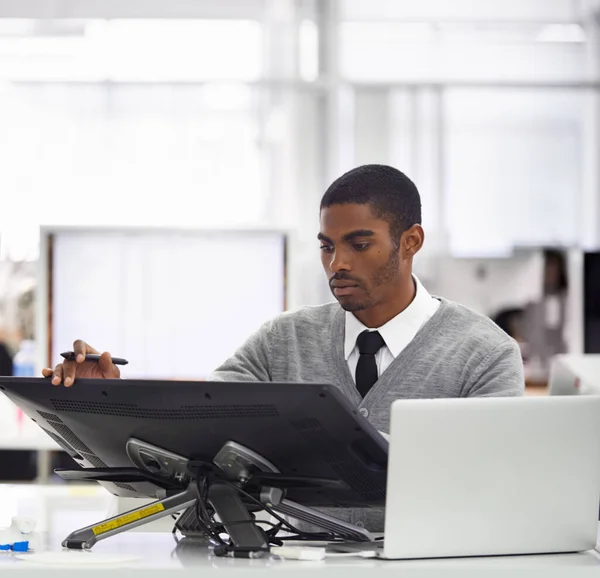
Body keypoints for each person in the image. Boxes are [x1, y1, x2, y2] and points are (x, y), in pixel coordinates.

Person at [43, 164, 525, 530]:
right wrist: (105, 408)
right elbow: (195, 453)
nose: (337, 263)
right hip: (293, 577)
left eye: (359, 244)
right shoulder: (282, 340)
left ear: (410, 242)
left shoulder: (485, 354)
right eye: (326, 246)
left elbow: (495, 494)